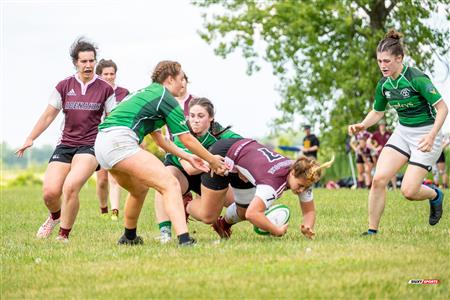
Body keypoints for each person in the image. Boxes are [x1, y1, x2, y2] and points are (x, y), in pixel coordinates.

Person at [94, 60, 227, 247]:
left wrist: (188, 157)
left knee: (138, 189)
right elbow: (186, 138)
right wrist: (212, 160)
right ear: (170, 79)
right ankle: (184, 240)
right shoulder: (166, 97)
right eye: (181, 79)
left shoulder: (147, 94)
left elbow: (160, 140)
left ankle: (129, 237)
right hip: (119, 141)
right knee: (170, 183)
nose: (183, 83)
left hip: (101, 143)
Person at [348, 29, 448, 235]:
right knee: (378, 179)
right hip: (403, 132)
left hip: (426, 133)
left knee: (409, 191)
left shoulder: (416, 78)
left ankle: (435, 195)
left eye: (387, 61)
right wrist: (363, 125)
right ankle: (371, 231)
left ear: (399, 58)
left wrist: (431, 136)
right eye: (379, 61)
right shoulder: (384, 85)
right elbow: (377, 112)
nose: (382, 66)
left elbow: (442, 109)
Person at [15, 38, 116, 242]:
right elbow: (48, 115)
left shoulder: (105, 89)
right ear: (75, 63)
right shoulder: (64, 86)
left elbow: (112, 119)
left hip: (89, 146)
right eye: (83, 61)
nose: (88, 65)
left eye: (91, 61)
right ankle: (55, 217)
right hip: (66, 144)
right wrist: (30, 138)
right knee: (50, 193)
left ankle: (63, 235)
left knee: (71, 187)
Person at [186, 138, 333, 239]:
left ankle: (222, 224)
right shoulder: (272, 184)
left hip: (244, 156)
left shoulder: (303, 171)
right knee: (208, 215)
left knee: (242, 211)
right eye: (300, 186)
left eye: (306, 187)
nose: (302, 190)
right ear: (292, 172)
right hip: (223, 155)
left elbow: (309, 210)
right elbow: (253, 214)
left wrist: (307, 226)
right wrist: (275, 230)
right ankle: (186, 203)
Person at [154, 97, 241, 243]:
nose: (195, 120)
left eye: (201, 116)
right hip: (181, 172)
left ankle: (221, 222)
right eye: (192, 116)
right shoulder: (182, 132)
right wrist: (213, 159)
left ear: (211, 118)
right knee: (164, 180)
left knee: (236, 205)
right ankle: (165, 233)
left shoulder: (219, 132)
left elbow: (243, 144)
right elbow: (189, 168)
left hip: (206, 174)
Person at [94, 59, 129, 221]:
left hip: (117, 139)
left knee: (114, 176)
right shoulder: (95, 92)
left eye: (112, 74)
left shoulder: (124, 93)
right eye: (105, 74)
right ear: (99, 75)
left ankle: (115, 212)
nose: (109, 77)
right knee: (101, 180)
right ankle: (104, 210)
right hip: (98, 138)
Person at [369, 119, 397, 189]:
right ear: (379, 126)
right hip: (380, 155)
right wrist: (375, 148)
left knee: (392, 171)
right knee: (381, 172)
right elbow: (368, 142)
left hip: (389, 154)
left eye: (383, 125)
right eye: (381, 125)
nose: (382, 126)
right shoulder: (376, 134)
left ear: (385, 126)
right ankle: (385, 187)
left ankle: (395, 187)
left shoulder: (389, 134)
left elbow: (395, 142)